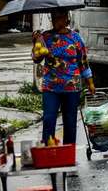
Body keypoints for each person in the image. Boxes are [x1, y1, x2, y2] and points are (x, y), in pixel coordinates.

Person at [32, 9, 95, 144]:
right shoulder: (45, 37)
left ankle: (69, 150)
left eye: (59, 17)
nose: (56, 20)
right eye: (54, 17)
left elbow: (83, 61)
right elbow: (36, 59)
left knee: (70, 121)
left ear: (66, 19)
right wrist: (35, 44)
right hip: (51, 87)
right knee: (49, 118)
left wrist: (90, 82)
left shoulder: (75, 38)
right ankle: (48, 150)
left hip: (72, 87)